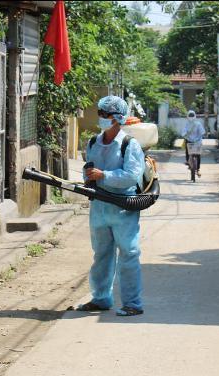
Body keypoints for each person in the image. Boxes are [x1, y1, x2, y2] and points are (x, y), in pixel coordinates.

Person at [77, 95, 145, 316]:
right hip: (99, 208)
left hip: (122, 207)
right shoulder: (93, 142)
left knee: (129, 253)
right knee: (102, 254)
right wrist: (88, 178)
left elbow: (132, 176)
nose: (102, 118)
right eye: (100, 113)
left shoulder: (129, 145)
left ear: (118, 118)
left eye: (106, 115)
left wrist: (103, 175)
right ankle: (101, 298)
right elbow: (88, 169)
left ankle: (132, 304)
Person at [181, 110, 205, 177]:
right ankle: (188, 162)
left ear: (194, 116)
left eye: (192, 115)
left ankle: (198, 169)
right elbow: (183, 132)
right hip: (191, 141)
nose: (191, 117)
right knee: (188, 152)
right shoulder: (187, 124)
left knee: (198, 155)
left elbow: (202, 132)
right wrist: (184, 134)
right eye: (190, 115)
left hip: (197, 141)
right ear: (188, 116)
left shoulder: (198, 124)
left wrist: (201, 134)